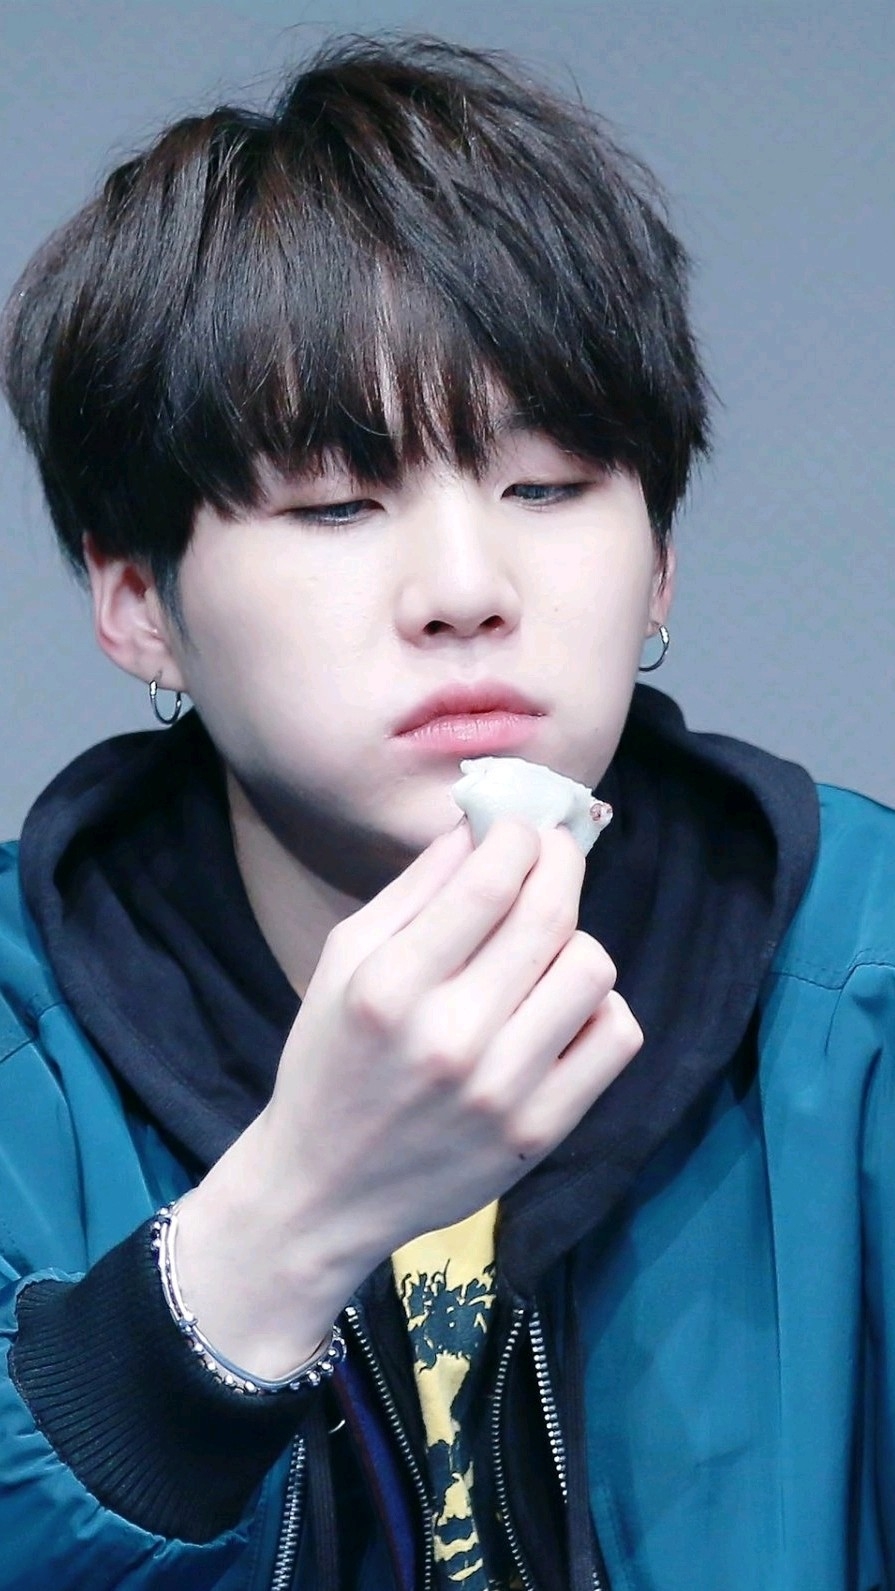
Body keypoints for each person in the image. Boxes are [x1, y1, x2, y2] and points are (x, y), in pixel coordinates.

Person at [0, 33, 891, 1591]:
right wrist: (283, 1221)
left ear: (661, 563)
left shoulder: (864, 984)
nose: (467, 592)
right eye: (336, 505)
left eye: (548, 488)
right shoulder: (22, 1048)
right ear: (138, 603)